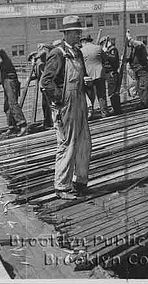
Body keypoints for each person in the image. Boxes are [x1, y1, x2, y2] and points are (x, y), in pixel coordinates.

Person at [41, 16, 91, 200]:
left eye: (79, 32)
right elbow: (46, 82)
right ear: (67, 34)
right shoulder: (58, 53)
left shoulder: (77, 53)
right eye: (76, 32)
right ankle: (62, 186)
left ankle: (80, 182)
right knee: (67, 145)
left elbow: (80, 76)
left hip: (80, 102)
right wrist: (59, 101)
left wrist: (86, 83)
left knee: (84, 143)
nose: (79, 35)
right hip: (66, 105)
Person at [0, 47, 27, 137]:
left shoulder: (6, 61)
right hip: (6, 84)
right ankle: (12, 127)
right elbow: (1, 78)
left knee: (13, 104)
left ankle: (22, 124)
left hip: (11, 83)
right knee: (7, 106)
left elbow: (0, 51)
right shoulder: (1, 65)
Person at [80, 34, 108, 118]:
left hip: (88, 76)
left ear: (83, 41)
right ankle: (104, 112)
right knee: (101, 94)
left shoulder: (81, 51)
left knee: (90, 95)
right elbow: (105, 59)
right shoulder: (98, 48)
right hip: (100, 74)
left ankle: (90, 113)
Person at [27, 43, 54, 129]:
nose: (31, 61)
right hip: (42, 87)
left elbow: (43, 53)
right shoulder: (36, 66)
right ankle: (47, 122)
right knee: (44, 105)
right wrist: (30, 78)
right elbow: (37, 75)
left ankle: (52, 122)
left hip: (47, 85)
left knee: (49, 104)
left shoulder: (41, 61)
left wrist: (36, 57)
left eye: (31, 59)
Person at [99, 36, 122, 115]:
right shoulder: (109, 50)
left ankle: (117, 110)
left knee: (113, 92)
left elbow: (113, 58)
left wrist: (106, 53)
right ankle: (115, 108)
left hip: (112, 73)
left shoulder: (112, 49)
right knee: (112, 92)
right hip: (108, 73)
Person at [126, 36, 148, 108]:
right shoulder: (133, 50)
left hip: (143, 70)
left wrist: (129, 38)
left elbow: (138, 45)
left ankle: (145, 104)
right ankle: (143, 102)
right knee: (140, 88)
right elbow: (131, 59)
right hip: (138, 70)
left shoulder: (140, 46)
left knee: (142, 87)